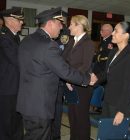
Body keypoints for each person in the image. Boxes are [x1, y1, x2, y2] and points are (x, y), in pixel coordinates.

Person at [16, 7, 96, 140]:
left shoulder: (27, 40)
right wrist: (87, 79)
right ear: (50, 23)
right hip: (40, 105)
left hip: (26, 101)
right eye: (60, 24)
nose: (62, 29)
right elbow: (64, 70)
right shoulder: (48, 45)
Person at [94, 21, 130, 125]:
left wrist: (122, 111)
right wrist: (93, 79)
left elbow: (129, 87)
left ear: (126, 35)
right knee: (105, 134)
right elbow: (107, 73)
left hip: (119, 105)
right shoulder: (113, 52)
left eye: (116, 31)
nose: (112, 33)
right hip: (108, 99)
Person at [62, 15, 95, 140]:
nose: (69, 27)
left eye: (71, 24)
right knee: (72, 116)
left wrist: (70, 78)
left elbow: (85, 66)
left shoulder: (88, 43)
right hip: (70, 83)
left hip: (81, 86)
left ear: (79, 26)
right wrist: (66, 78)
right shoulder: (71, 41)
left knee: (81, 119)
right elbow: (63, 60)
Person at [0, 8, 24, 140]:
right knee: (5, 125)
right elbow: (17, 60)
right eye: (19, 20)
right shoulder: (3, 38)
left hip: (15, 88)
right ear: (10, 21)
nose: (22, 22)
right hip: (6, 90)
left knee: (15, 121)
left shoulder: (14, 37)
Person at [52, 10, 70, 140]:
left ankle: (55, 135)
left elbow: (66, 57)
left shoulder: (66, 33)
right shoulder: (49, 33)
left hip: (59, 78)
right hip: (48, 77)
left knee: (57, 109)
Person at [91, 23, 114, 113]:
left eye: (102, 30)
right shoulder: (104, 41)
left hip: (103, 70)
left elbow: (106, 57)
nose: (100, 32)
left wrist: (95, 57)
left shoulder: (110, 42)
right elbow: (99, 54)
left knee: (97, 87)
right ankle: (96, 106)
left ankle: (97, 106)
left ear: (108, 32)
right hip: (98, 68)